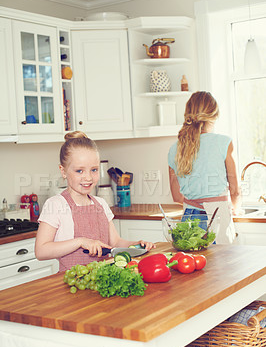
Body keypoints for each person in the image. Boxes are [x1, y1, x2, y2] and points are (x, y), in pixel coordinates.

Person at [35, 131, 155, 272]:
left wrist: (137, 244)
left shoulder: (101, 204)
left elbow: (115, 242)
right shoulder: (56, 205)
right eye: (80, 171)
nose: (88, 178)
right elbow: (41, 251)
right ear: (63, 171)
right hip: (71, 283)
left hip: (103, 278)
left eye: (94, 170)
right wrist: (81, 241)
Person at [168, 91, 241, 244]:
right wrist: (235, 208)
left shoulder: (174, 149)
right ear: (214, 115)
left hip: (189, 218)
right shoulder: (224, 143)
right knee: (223, 266)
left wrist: (196, 203)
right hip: (217, 216)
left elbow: (177, 197)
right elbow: (234, 189)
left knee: (195, 265)